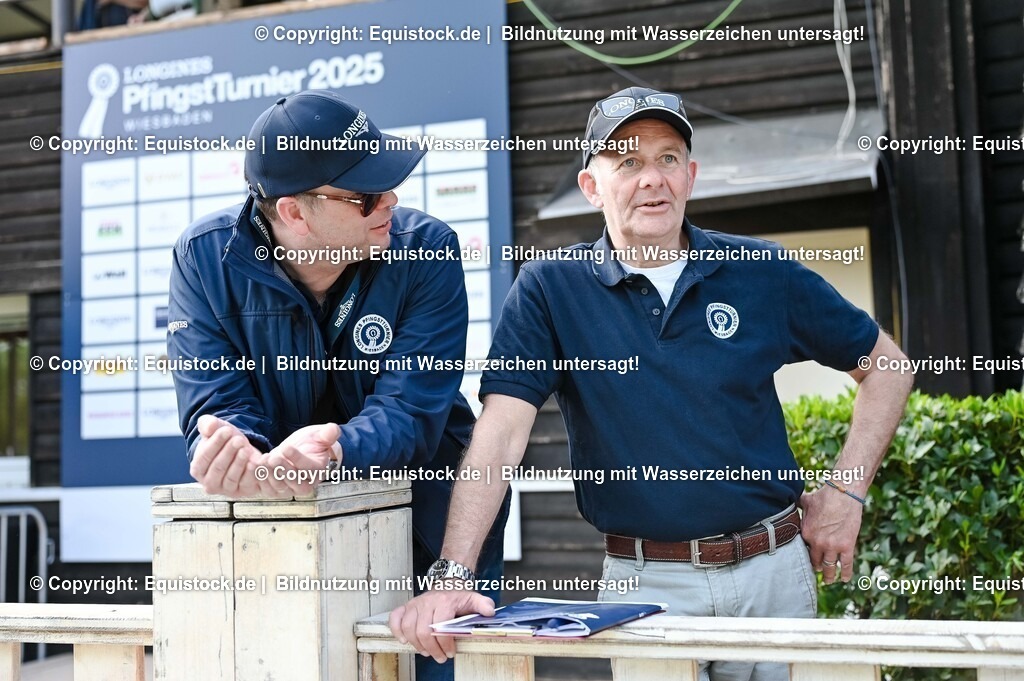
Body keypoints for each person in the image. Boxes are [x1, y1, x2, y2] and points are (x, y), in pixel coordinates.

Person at [389, 86, 914, 681]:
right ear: (592, 186)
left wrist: (846, 496)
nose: (652, 179)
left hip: (774, 576)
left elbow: (887, 367)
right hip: (646, 587)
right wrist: (454, 573)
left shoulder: (760, 271)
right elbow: (501, 433)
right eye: (629, 162)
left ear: (690, 176)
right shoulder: (551, 289)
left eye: (668, 159)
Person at [167, 90, 506, 681]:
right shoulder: (203, 258)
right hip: (284, 543)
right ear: (296, 212)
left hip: (430, 538)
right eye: (367, 194)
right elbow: (216, 404)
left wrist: (330, 449)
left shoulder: (426, 251)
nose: (390, 202)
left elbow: (411, 413)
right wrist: (230, 453)